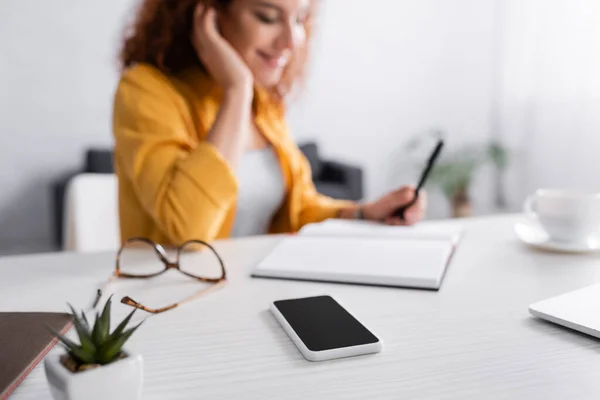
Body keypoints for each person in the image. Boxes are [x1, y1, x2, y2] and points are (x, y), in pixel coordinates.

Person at [113, 0, 427, 246]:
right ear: (209, 15)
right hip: (169, 303)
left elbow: (297, 209)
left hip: (253, 293)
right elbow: (188, 230)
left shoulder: (264, 101)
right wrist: (237, 90)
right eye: (267, 17)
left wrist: (362, 213)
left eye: (300, 19)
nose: (291, 41)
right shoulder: (146, 90)